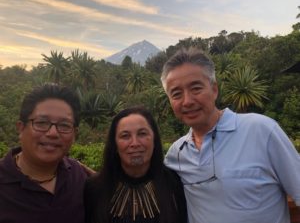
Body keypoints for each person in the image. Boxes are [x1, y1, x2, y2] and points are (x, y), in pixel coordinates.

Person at [161, 47, 300, 223]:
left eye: (196, 88)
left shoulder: (262, 131)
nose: (187, 101)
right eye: (176, 94)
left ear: (214, 89)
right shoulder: (176, 154)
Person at [0, 83, 89, 223]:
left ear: (74, 134)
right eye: (41, 123)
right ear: (21, 128)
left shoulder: (79, 176)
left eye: (64, 125)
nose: (53, 133)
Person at [84, 106, 187, 223]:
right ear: (115, 145)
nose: (135, 143)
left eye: (142, 134)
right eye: (125, 136)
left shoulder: (174, 182)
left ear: (154, 140)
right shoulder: (94, 188)